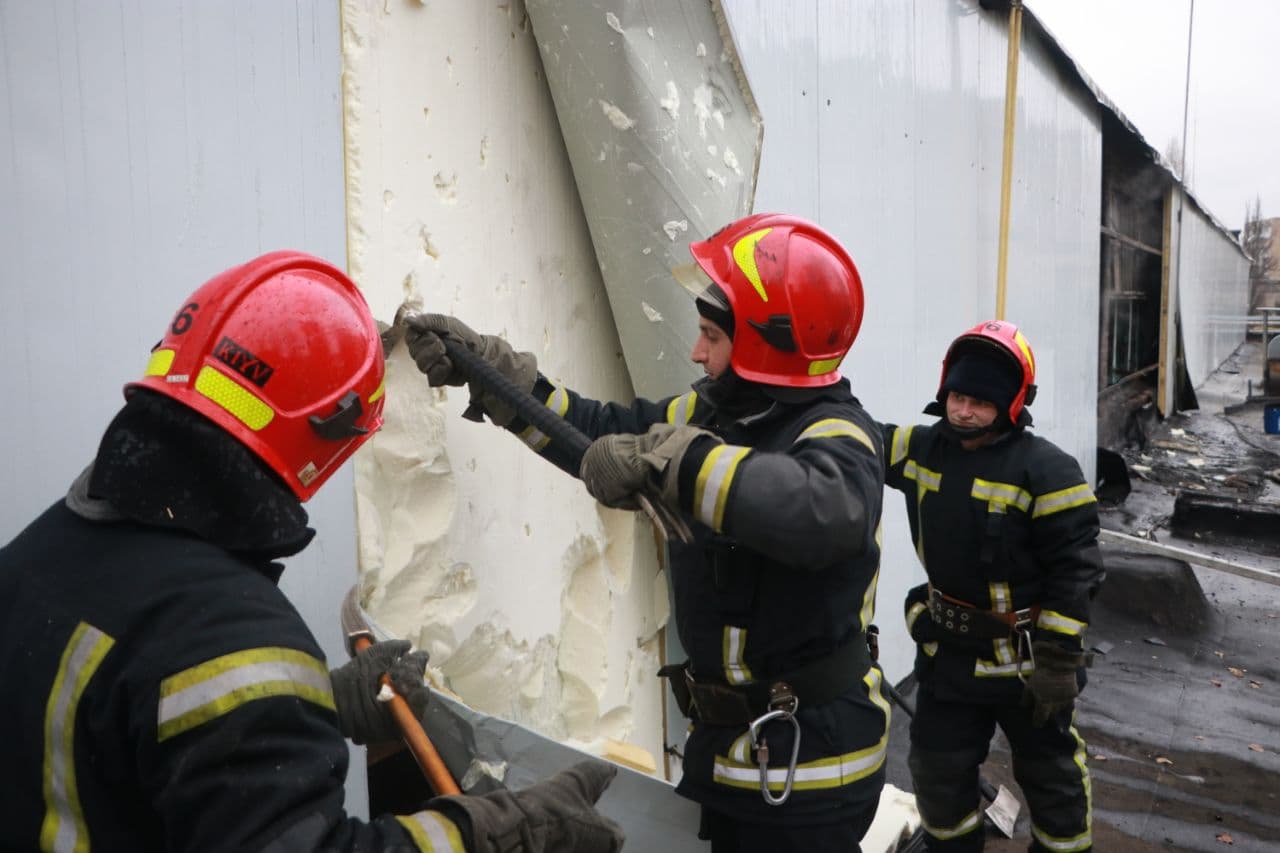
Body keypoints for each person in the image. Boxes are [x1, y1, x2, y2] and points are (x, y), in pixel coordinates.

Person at [0, 251, 624, 853]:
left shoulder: (37, 552)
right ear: (328, 436)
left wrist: (312, 704)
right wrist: (498, 832)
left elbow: (123, 724)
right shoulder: (231, 631)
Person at [403, 213, 891, 852]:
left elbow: (824, 514)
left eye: (711, 336)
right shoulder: (707, 412)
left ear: (762, 345)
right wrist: (498, 379)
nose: (696, 351)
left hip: (812, 775)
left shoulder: (838, 436)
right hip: (729, 758)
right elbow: (599, 432)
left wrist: (680, 463)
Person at [882, 320, 1103, 852]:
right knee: (937, 769)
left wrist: (1058, 663)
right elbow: (852, 441)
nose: (964, 411)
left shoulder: (1049, 471)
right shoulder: (920, 447)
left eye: (980, 402)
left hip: (1026, 666)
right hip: (949, 656)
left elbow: (1076, 570)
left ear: (1012, 403)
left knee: (1052, 778)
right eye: (957, 396)